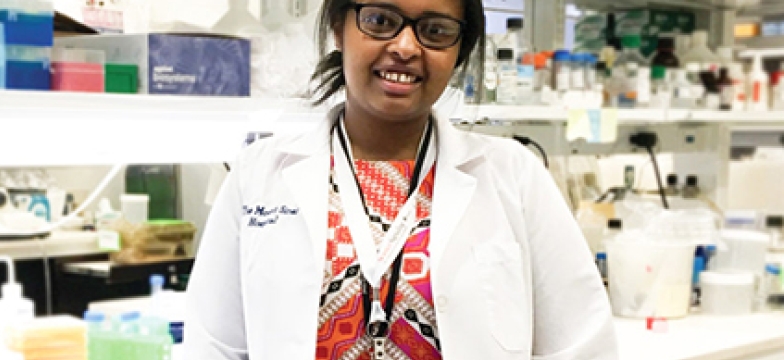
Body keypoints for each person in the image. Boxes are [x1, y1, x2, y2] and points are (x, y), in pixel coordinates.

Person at [184, 0, 618, 359]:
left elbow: (581, 343)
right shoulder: (259, 173)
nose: (406, 46)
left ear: (459, 49)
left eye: (436, 30)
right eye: (380, 21)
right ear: (339, 28)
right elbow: (213, 345)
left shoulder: (514, 174)